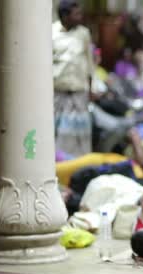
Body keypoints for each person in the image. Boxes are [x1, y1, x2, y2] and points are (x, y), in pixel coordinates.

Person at [52, 0, 94, 157]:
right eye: (76, 14)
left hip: (79, 91)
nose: (80, 17)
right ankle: (60, 164)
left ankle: (80, 164)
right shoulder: (51, 32)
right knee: (58, 132)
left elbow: (89, 62)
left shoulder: (83, 33)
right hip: (58, 92)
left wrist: (91, 88)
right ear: (65, 15)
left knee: (80, 133)